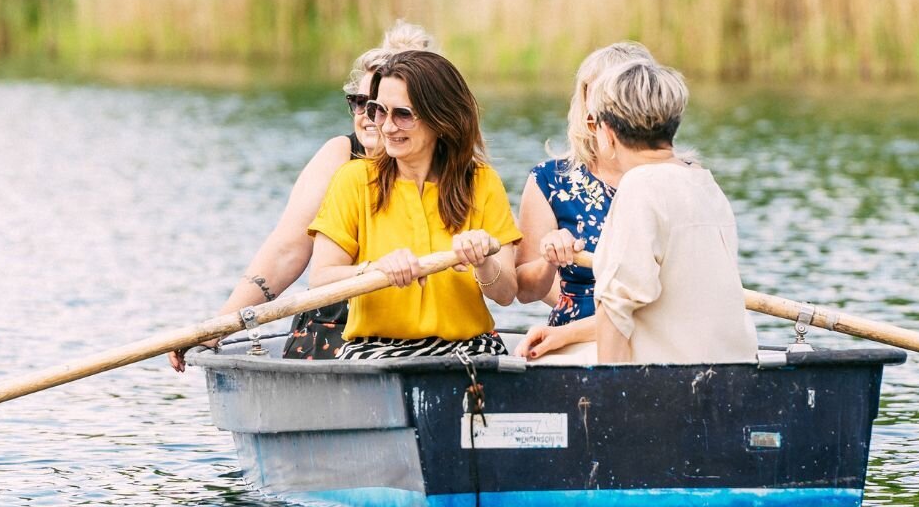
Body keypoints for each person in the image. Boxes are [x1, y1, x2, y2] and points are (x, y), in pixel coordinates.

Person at [169, 21, 434, 368]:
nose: (372, 118)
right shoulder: (340, 155)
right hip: (341, 328)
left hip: (428, 326)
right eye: (359, 103)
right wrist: (218, 326)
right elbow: (287, 250)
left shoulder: (451, 167)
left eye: (385, 107)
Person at [306, 49, 523, 360]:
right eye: (378, 110)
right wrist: (375, 269)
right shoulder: (353, 180)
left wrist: (483, 261)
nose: (387, 127)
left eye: (403, 114)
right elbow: (320, 279)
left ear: (441, 118)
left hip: (470, 351)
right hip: (376, 350)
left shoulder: (483, 182)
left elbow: (506, 294)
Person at [584, 60, 758, 364]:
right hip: (731, 367)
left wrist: (611, 405)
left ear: (607, 132)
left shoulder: (639, 187)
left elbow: (614, 309)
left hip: (671, 377)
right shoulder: (703, 181)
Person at [513, 41, 654, 363]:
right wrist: (551, 258)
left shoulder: (675, 178)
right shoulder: (550, 179)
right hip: (573, 342)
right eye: (594, 95)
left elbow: (667, 302)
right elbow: (525, 290)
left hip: (653, 336)